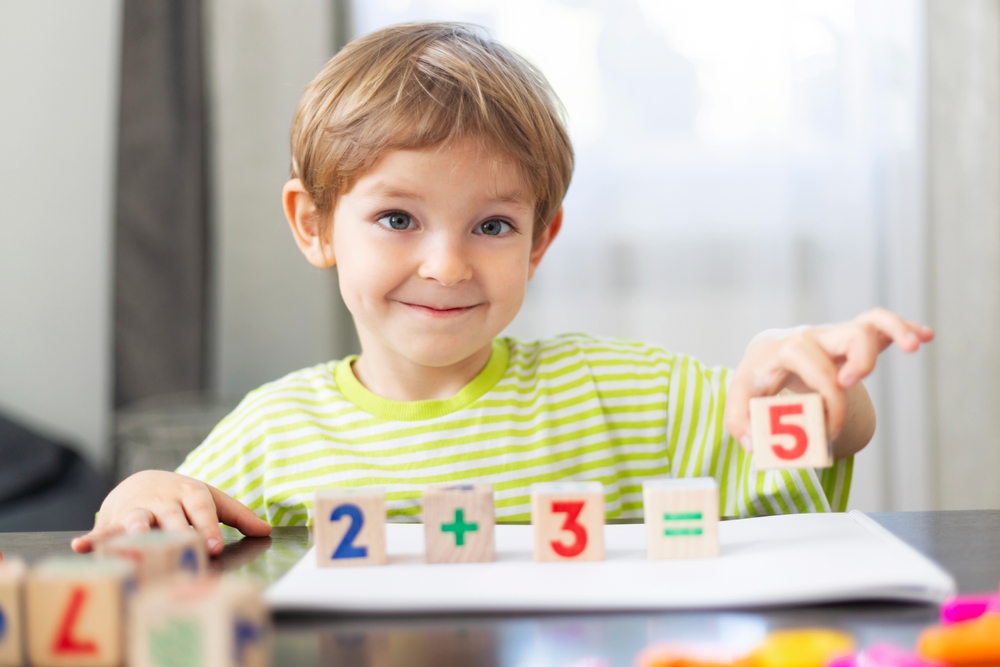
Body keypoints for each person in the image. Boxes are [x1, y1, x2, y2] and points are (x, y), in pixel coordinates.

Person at [71, 22, 932, 556]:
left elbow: (809, 439)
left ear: (540, 240)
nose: (447, 266)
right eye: (399, 219)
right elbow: (162, 528)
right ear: (315, 226)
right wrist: (138, 493)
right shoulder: (271, 434)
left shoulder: (619, 392)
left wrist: (820, 383)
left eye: (490, 227)